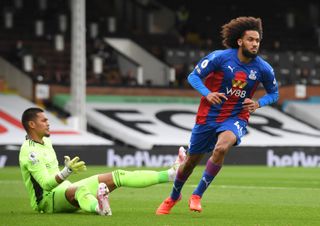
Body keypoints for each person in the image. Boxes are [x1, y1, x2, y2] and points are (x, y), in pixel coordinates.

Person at [156, 16, 279, 215]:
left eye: (257, 40)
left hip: (236, 116)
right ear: (240, 41)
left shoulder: (263, 68)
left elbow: (274, 93)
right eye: (250, 39)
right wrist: (208, 93)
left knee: (221, 148)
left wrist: (258, 103)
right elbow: (193, 76)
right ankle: (174, 196)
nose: (255, 44)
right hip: (208, 117)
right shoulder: (220, 57)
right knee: (189, 163)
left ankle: (197, 195)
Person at [19, 107, 186, 216]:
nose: (48, 123)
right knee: (80, 189)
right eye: (44, 121)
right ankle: (99, 209)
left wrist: (65, 174)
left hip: (63, 188)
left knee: (117, 175)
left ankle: (171, 175)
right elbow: (46, 186)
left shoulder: (46, 142)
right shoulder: (30, 152)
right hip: (47, 201)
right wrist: (66, 171)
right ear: (32, 124)